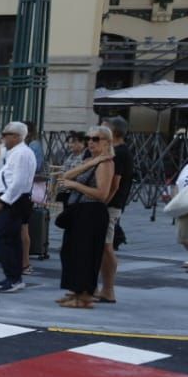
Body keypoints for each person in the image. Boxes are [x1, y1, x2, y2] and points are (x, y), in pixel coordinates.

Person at [51, 126, 115, 309]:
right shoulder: (93, 160)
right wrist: (89, 163)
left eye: (96, 139)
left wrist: (75, 186)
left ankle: (85, 297)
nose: (91, 142)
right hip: (79, 211)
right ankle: (76, 292)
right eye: (89, 138)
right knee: (72, 253)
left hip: (92, 212)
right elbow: (66, 176)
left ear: (107, 142)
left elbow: (102, 194)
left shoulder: (106, 163)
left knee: (85, 255)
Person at [0, 121, 37, 293]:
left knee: (3, 239)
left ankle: (13, 277)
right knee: (10, 239)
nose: (2, 137)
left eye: (6, 134)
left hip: (13, 202)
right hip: (13, 200)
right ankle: (12, 276)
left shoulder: (21, 153)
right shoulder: (15, 152)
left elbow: (19, 181)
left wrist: (4, 200)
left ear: (16, 137)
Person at [95, 115, 133, 304]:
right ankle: (103, 288)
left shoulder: (120, 153)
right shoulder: (115, 151)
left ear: (115, 132)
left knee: (106, 246)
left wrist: (102, 202)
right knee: (103, 246)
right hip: (109, 204)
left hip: (110, 205)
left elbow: (115, 184)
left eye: (104, 128)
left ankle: (108, 290)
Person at [168, 154, 188, 270]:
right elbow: (178, 183)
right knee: (182, 238)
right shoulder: (186, 167)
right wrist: (174, 199)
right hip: (183, 205)